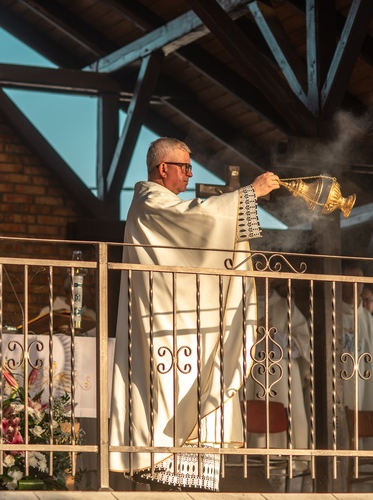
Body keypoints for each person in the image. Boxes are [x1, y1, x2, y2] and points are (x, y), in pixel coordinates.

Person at [108, 137, 280, 492]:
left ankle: (188, 480)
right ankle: (164, 476)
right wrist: (249, 194)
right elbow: (198, 221)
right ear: (163, 169)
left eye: (190, 167)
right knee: (167, 400)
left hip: (182, 325)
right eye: (184, 166)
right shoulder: (151, 201)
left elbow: (198, 243)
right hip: (164, 331)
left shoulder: (160, 202)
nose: (189, 173)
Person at [245, 279, 311, 455]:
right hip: (253, 371)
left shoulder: (286, 306)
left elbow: (303, 342)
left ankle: (290, 458)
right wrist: (253, 334)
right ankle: (251, 458)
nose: (261, 282)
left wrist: (275, 336)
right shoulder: (244, 304)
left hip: (284, 374)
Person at [339, 263, 373, 453]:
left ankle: (364, 465)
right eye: (349, 282)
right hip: (340, 381)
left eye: (358, 283)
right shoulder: (332, 314)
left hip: (365, 383)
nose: (354, 286)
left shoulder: (369, 319)